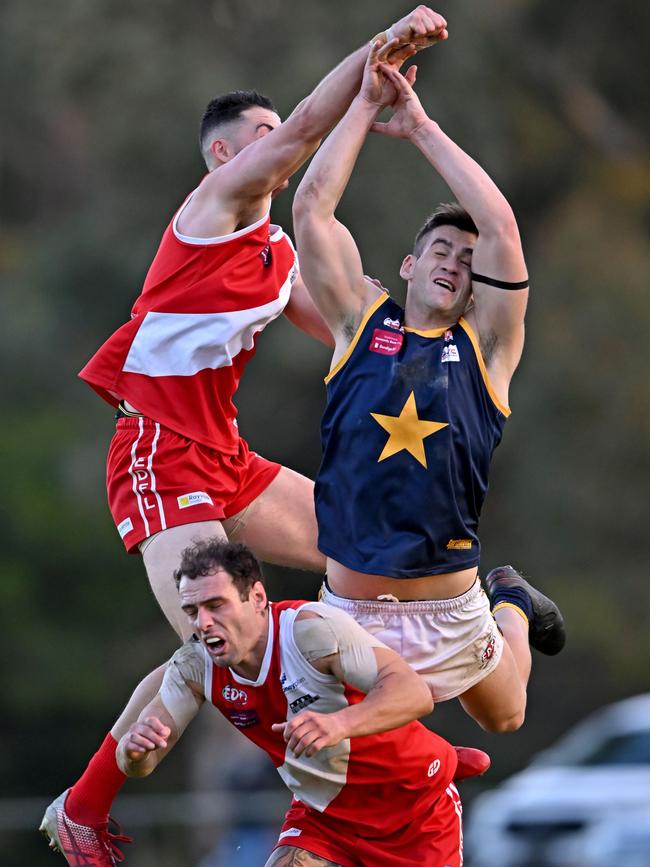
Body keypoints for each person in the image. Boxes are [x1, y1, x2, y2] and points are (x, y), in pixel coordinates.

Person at [40, 10, 451, 866]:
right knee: (214, 640)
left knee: (373, 550)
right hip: (158, 452)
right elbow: (308, 124)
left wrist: (420, 341)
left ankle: (438, 726)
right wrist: (381, 54)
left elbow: (339, 327)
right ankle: (82, 809)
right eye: (259, 137)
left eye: (276, 133)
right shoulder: (209, 211)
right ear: (226, 157)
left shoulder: (271, 249)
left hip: (225, 454)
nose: (279, 143)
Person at [291, 42, 566, 736]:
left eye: (469, 262)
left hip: (450, 609)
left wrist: (418, 127)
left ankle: (511, 604)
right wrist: (361, 104)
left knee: (506, 716)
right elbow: (313, 209)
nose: (454, 260)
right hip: (352, 612)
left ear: (478, 289)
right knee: (337, 752)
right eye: (441, 248)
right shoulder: (358, 321)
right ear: (409, 265)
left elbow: (500, 226)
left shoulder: (488, 347)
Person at [43, 539, 491, 866]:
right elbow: (145, 761)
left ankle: (512, 607)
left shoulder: (310, 631)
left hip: (414, 813)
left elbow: (412, 692)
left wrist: (338, 725)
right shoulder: (195, 666)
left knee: (506, 711)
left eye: (216, 605)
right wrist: (134, 751)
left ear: (257, 598)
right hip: (325, 818)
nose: (203, 622)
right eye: (192, 611)